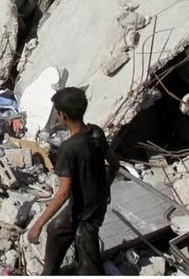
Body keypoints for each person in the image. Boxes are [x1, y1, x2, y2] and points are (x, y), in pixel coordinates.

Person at [26, 87, 120, 275]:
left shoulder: (68, 149)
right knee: (56, 230)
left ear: (63, 116)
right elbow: (114, 164)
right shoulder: (96, 132)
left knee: (88, 265)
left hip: (86, 216)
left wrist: (37, 224)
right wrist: (105, 188)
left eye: (57, 112)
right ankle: (49, 273)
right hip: (89, 204)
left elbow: (62, 193)